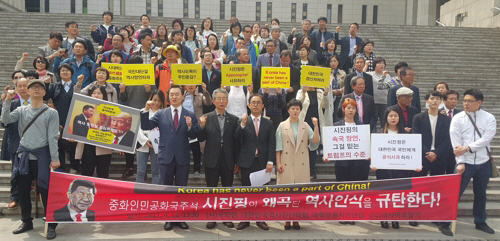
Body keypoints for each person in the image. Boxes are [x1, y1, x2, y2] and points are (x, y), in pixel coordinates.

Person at [2, 79, 60, 239]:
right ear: (27, 91)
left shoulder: (51, 113)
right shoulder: (21, 110)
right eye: (33, 87)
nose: (36, 89)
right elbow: (5, 120)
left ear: (44, 92)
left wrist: (55, 158)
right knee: (22, 190)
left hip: (42, 157)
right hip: (24, 157)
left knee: (45, 190)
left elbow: (52, 137)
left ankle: (51, 224)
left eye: (39, 87)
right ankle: (26, 220)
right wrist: (7, 100)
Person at [140, 85, 198, 231]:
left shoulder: (190, 114)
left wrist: (191, 127)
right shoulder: (161, 114)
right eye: (171, 94)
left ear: (182, 96)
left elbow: (194, 135)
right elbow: (146, 125)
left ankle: (180, 218)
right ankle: (168, 218)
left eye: (177, 94)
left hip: (182, 157)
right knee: (166, 189)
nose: (174, 97)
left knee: (181, 190)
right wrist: (146, 110)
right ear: (168, 97)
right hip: (165, 156)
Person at [449, 89, 496, 235]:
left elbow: (486, 139)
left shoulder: (489, 118)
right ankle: (445, 221)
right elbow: (456, 142)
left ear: (479, 102)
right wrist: (460, 161)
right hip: (465, 163)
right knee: (455, 193)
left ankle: (480, 221)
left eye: (469, 101)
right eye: (464, 101)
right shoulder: (457, 118)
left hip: (483, 163)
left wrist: (468, 148)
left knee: (481, 194)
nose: (465, 104)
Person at [371, 106, 421, 229]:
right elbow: (375, 153)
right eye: (390, 116)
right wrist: (373, 164)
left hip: (401, 169)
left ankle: (395, 217)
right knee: (383, 194)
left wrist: (416, 164)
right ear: (386, 118)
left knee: (398, 194)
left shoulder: (406, 135)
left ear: (399, 117)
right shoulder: (379, 134)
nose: (393, 118)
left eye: (395, 115)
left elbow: (411, 152)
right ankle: (383, 217)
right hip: (384, 169)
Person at [197, 88, 238, 229]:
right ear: (213, 101)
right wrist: (201, 126)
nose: (221, 101)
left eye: (223, 99)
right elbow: (200, 138)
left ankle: (227, 216)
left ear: (227, 101)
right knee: (211, 189)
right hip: (211, 158)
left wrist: (236, 161)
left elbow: (236, 142)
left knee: (228, 189)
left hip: (227, 159)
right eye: (218, 99)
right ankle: (211, 216)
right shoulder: (206, 117)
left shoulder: (233, 119)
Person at [276, 99, 320, 230]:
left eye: (297, 109)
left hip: (301, 163)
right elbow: (278, 146)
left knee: (299, 193)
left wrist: (316, 125)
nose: (295, 111)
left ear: (300, 111)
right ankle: (286, 218)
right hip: (286, 162)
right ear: (288, 110)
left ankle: (296, 218)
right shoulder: (282, 125)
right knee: (286, 192)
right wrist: (278, 162)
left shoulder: (305, 125)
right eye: (293, 108)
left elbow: (314, 142)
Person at [235, 94, 275, 231]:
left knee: (262, 192)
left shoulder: (269, 123)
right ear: (249, 105)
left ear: (263, 105)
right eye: (253, 102)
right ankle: (245, 219)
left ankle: (260, 218)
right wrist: (242, 125)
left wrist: (270, 161)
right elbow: (236, 139)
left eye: (259, 102)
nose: (256, 105)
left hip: (263, 162)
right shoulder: (243, 121)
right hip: (247, 162)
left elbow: (271, 144)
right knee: (246, 191)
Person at [0, 77, 30, 209]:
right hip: (16, 143)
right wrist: (6, 101)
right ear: (16, 88)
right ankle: (15, 197)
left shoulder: (37, 103)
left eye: (25, 86)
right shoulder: (11, 104)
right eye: (20, 86)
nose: (23, 88)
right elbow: (4, 123)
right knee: (15, 172)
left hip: (35, 145)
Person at [44, 64, 78, 173]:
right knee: (59, 144)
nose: (65, 72)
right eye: (63, 70)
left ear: (72, 73)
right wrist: (46, 84)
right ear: (59, 73)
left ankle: (75, 167)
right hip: (58, 119)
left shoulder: (77, 86)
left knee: (73, 144)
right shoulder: (55, 86)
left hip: (74, 119)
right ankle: (61, 168)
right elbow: (45, 96)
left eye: (67, 70)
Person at [412, 91, 452, 177]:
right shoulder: (418, 118)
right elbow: (415, 137)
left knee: (437, 185)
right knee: (419, 184)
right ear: (427, 101)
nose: (435, 101)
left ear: (441, 101)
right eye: (432, 98)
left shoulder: (446, 120)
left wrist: (436, 153)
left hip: (439, 156)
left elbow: (447, 139)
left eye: (438, 99)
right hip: (422, 156)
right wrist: (427, 153)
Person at [77, 86, 113, 178]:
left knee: (103, 173)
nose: (96, 95)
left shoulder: (111, 110)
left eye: (99, 93)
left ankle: (102, 192)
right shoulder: (84, 108)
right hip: (87, 145)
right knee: (87, 171)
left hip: (104, 144)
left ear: (104, 95)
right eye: (94, 93)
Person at [297, 86, 328, 179]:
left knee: (313, 147)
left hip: (315, 123)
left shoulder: (320, 92)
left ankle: (312, 170)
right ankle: (302, 171)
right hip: (303, 122)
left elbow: (325, 106)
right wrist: (303, 92)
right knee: (302, 147)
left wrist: (326, 95)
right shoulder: (301, 92)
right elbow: (297, 104)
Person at [183, 83, 213, 177]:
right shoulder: (181, 95)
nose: (190, 85)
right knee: (183, 149)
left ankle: (197, 170)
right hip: (183, 125)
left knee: (196, 149)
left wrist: (205, 91)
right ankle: (184, 169)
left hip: (196, 124)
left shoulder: (200, 96)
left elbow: (208, 102)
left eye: (193, 84)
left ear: (196, 86)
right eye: (188, 84)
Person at [136, 90, 165, 184]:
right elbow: (137, 129)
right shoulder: (143, 111)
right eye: (154, 100)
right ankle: (139, 192)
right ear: (150, 99)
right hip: (142, 144)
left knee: (156, 171)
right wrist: (145, 140)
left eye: (159, 101)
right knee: (140, 171)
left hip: (157, 144)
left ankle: (154, 193)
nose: (156, 103)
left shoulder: (164, 113)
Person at [440, 89, 462, 174]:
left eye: (456, 99)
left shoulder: (461, 114)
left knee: (452, 173)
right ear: (444, 100)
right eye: (451, 99)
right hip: (441, 148)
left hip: (455, 148)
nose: (454, 101)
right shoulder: (437, 113)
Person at [368, 57, 392, 130]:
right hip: (373, 102)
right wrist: (366, 65)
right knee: (372, 123)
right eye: (379, 63)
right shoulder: (370, 74)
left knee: (384, 122)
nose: (382, 65)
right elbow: (360, 75)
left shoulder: (388, 76)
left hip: (384, 102)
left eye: (383, 63)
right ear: (374, 65)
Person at [326, 55, 345, 123]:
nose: (333, 63)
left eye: (335, 61)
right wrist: (331, 91)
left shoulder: (343, 73)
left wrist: (339, 91)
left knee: (338, 117)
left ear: (338, 62)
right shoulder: (326, 72)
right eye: (331, 61)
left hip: (340, 97)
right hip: (329, 97)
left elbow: (346, 85)